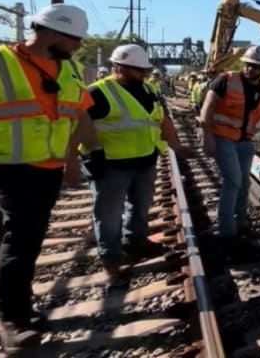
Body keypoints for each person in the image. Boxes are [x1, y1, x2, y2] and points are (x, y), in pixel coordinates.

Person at [0, 4, 92, 352]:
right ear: (50, 31)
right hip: (12, 167)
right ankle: (10, 319)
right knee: (20, 240)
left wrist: (76, 159)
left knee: (31, 238)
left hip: (49, 169)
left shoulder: (71, 69)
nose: (77, 47)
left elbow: (74, 117)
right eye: (73, 39)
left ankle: (21, 305)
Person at [77, 44, 194, 287]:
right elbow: (78, 125)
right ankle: (111, 258)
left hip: (145, 160)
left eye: (145, 70)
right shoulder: (98, 92)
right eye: (137, 70)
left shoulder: (150, 89)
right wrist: (78, 157)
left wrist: (176, 146)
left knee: (140, 206)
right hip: (110, 164)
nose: (143, 74)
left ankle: (136, 242)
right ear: (118, 67)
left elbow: (163, 121)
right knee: (108, 214)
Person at [200, 46, 260, 243]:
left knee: (244, 184)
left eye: (256, 66)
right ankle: (226, 232)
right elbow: (207, 109)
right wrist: (207, 136)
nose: (250, 69)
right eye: (248, 64)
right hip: (222, 137)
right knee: (233, 181)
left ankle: (241, 223)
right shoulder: (226, 79)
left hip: (244, 142)